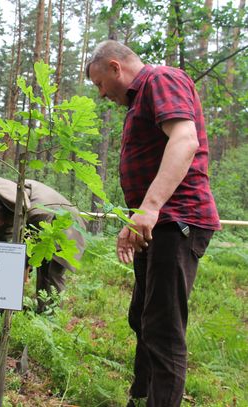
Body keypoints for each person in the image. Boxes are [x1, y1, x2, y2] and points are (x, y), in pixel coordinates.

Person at [85, 40, 220, 406]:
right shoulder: (139, 101)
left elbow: (184, 139)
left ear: (115, 67)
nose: (101, 94)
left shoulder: (160, 80)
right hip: (157, 225)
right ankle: (141, 396)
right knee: (141, 318)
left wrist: (150, 207)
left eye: (99, 84)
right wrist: (135, 220)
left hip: (179, 222)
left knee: (163, 330)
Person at [0, 176, 86, 309]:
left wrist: (22, 266)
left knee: (51, 272)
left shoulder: (31, 211)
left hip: (66, 223)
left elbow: (21, 249)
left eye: (5, 219)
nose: (0, 222)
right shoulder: (4, 197)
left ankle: (51, 315)